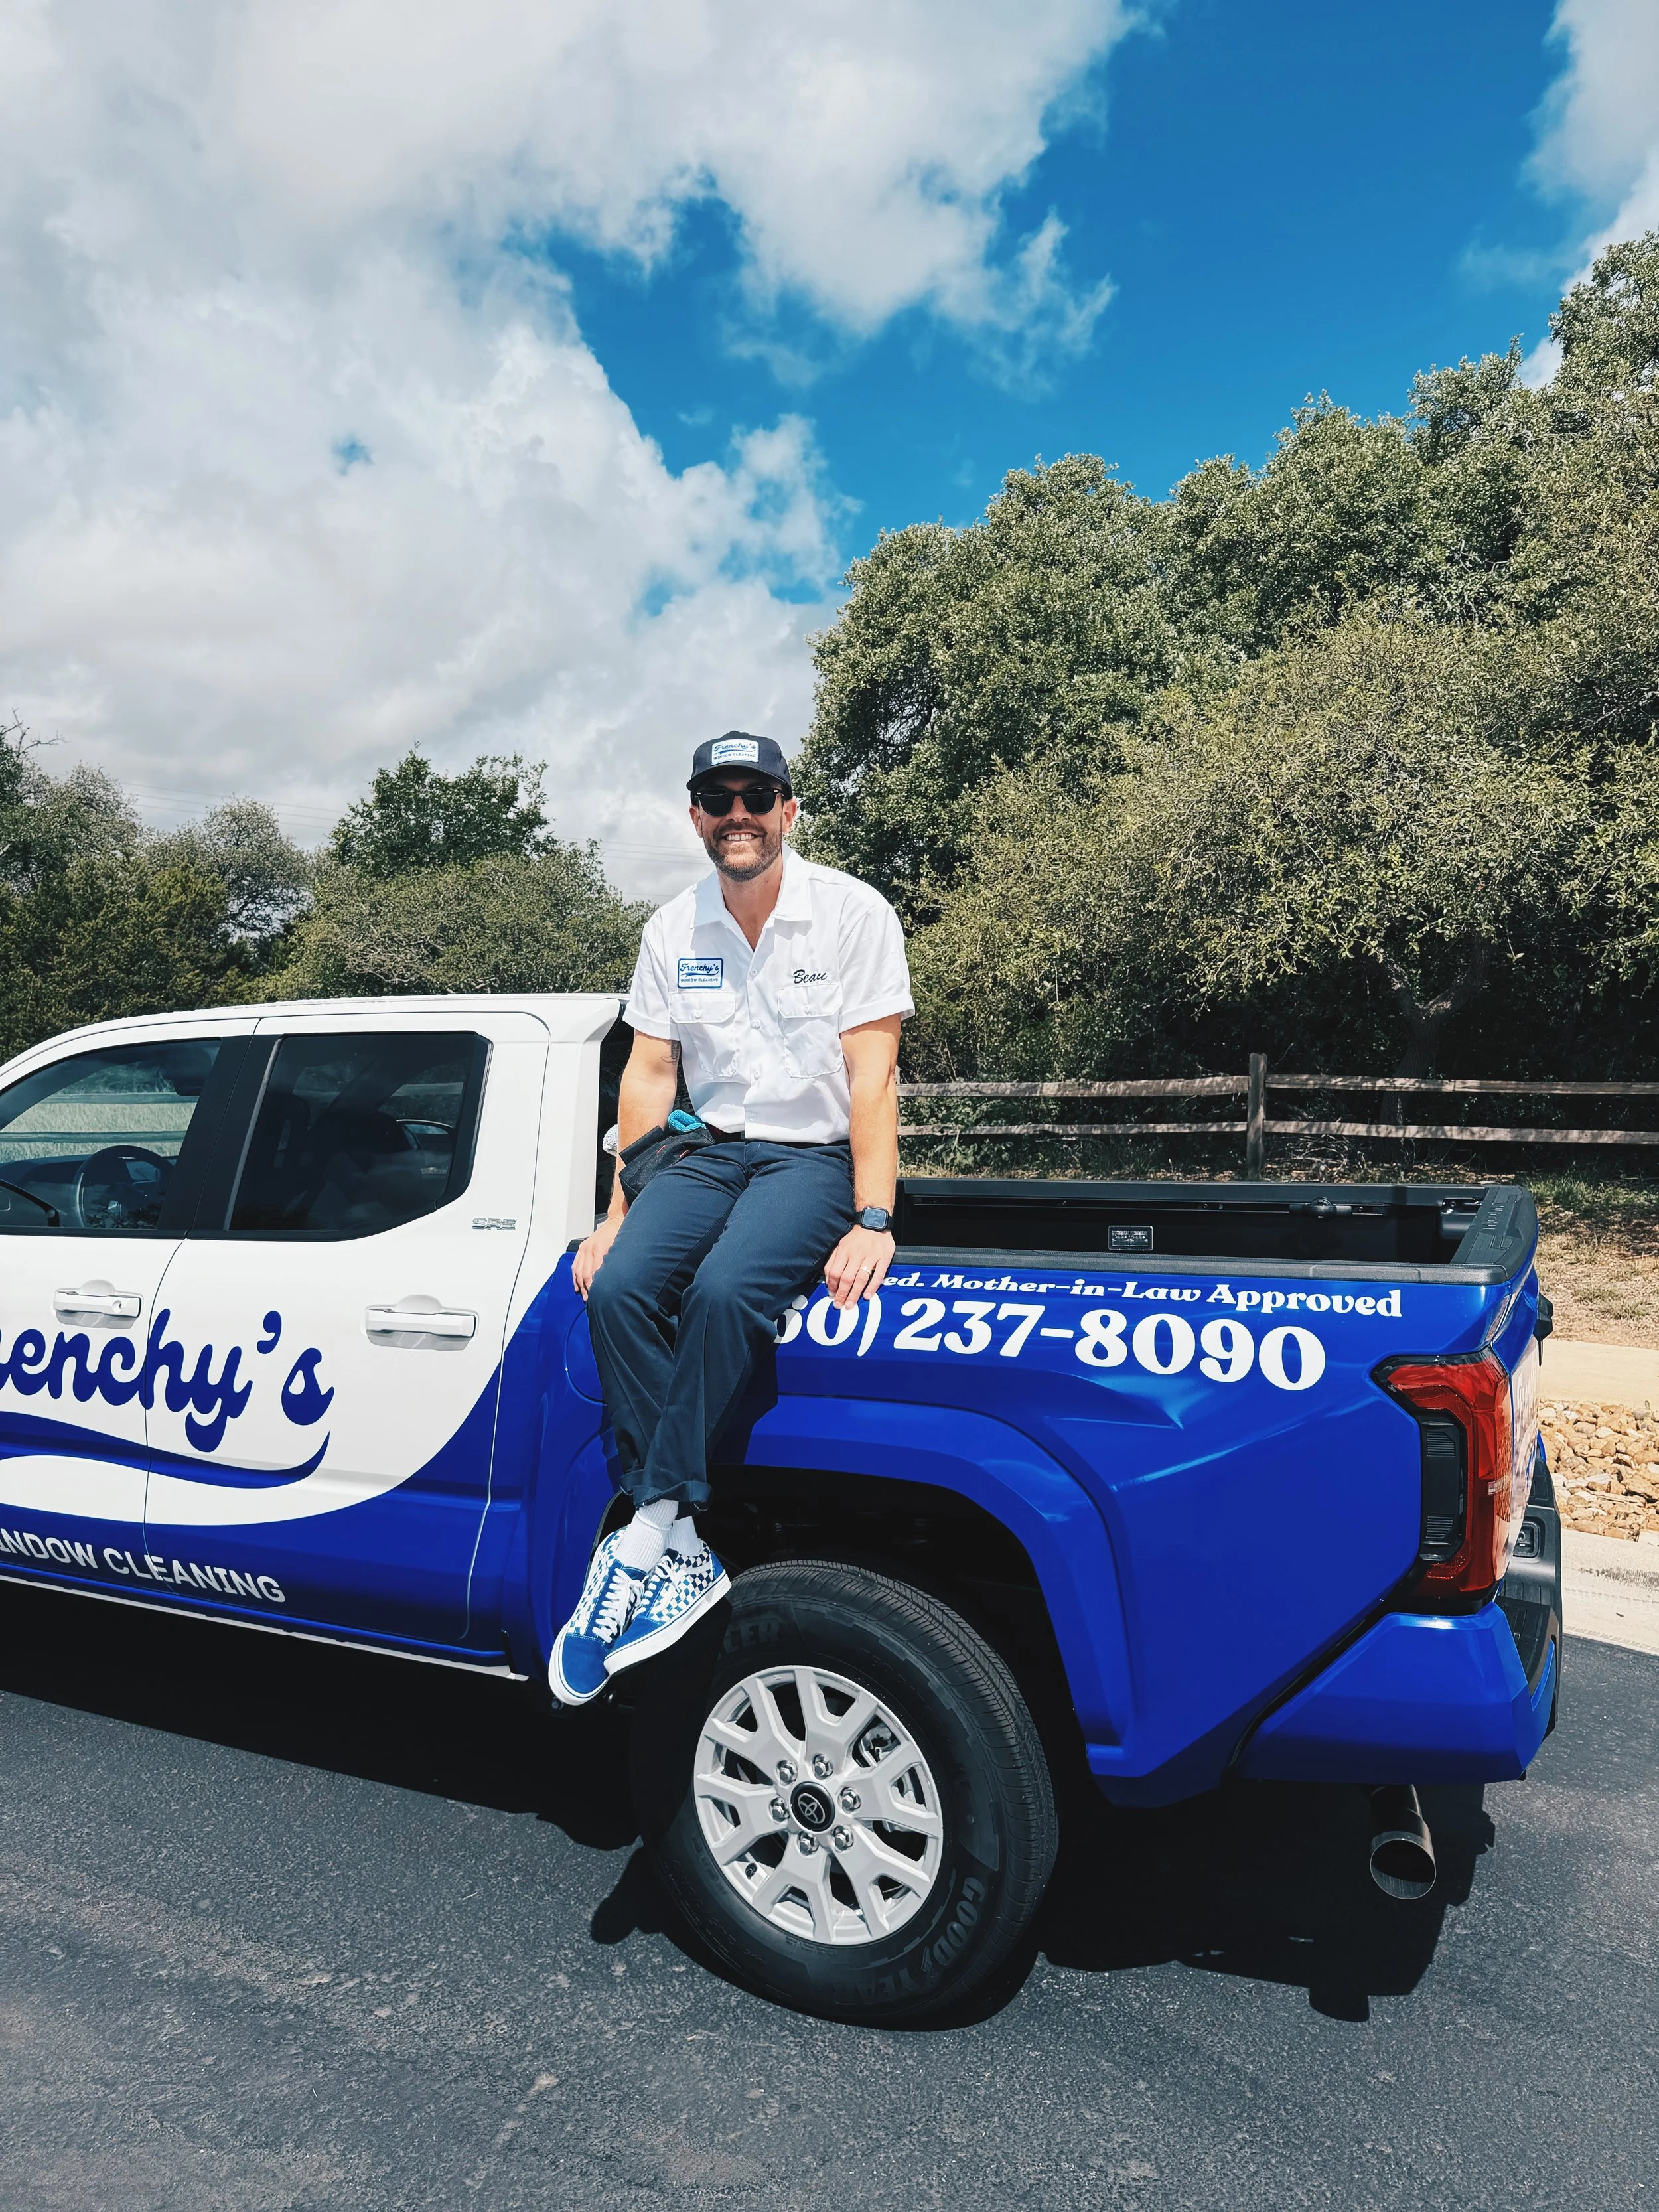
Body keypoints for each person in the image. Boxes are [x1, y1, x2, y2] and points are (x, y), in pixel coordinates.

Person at [548, 731, 911, 1703]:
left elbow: (872, 1074)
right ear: (697, 815)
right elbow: (650, 1077)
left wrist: (873, 1216)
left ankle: (653, 1527)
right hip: (704, 1151)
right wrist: (615, 1209)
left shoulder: (852, 913)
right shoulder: (673, 927)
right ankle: (673, 1535)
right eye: (720, 798)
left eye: (759, 796)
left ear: (790, 811)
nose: (739, 814)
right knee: (617, 1288)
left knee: (721, 1292)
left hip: (812, 1158)